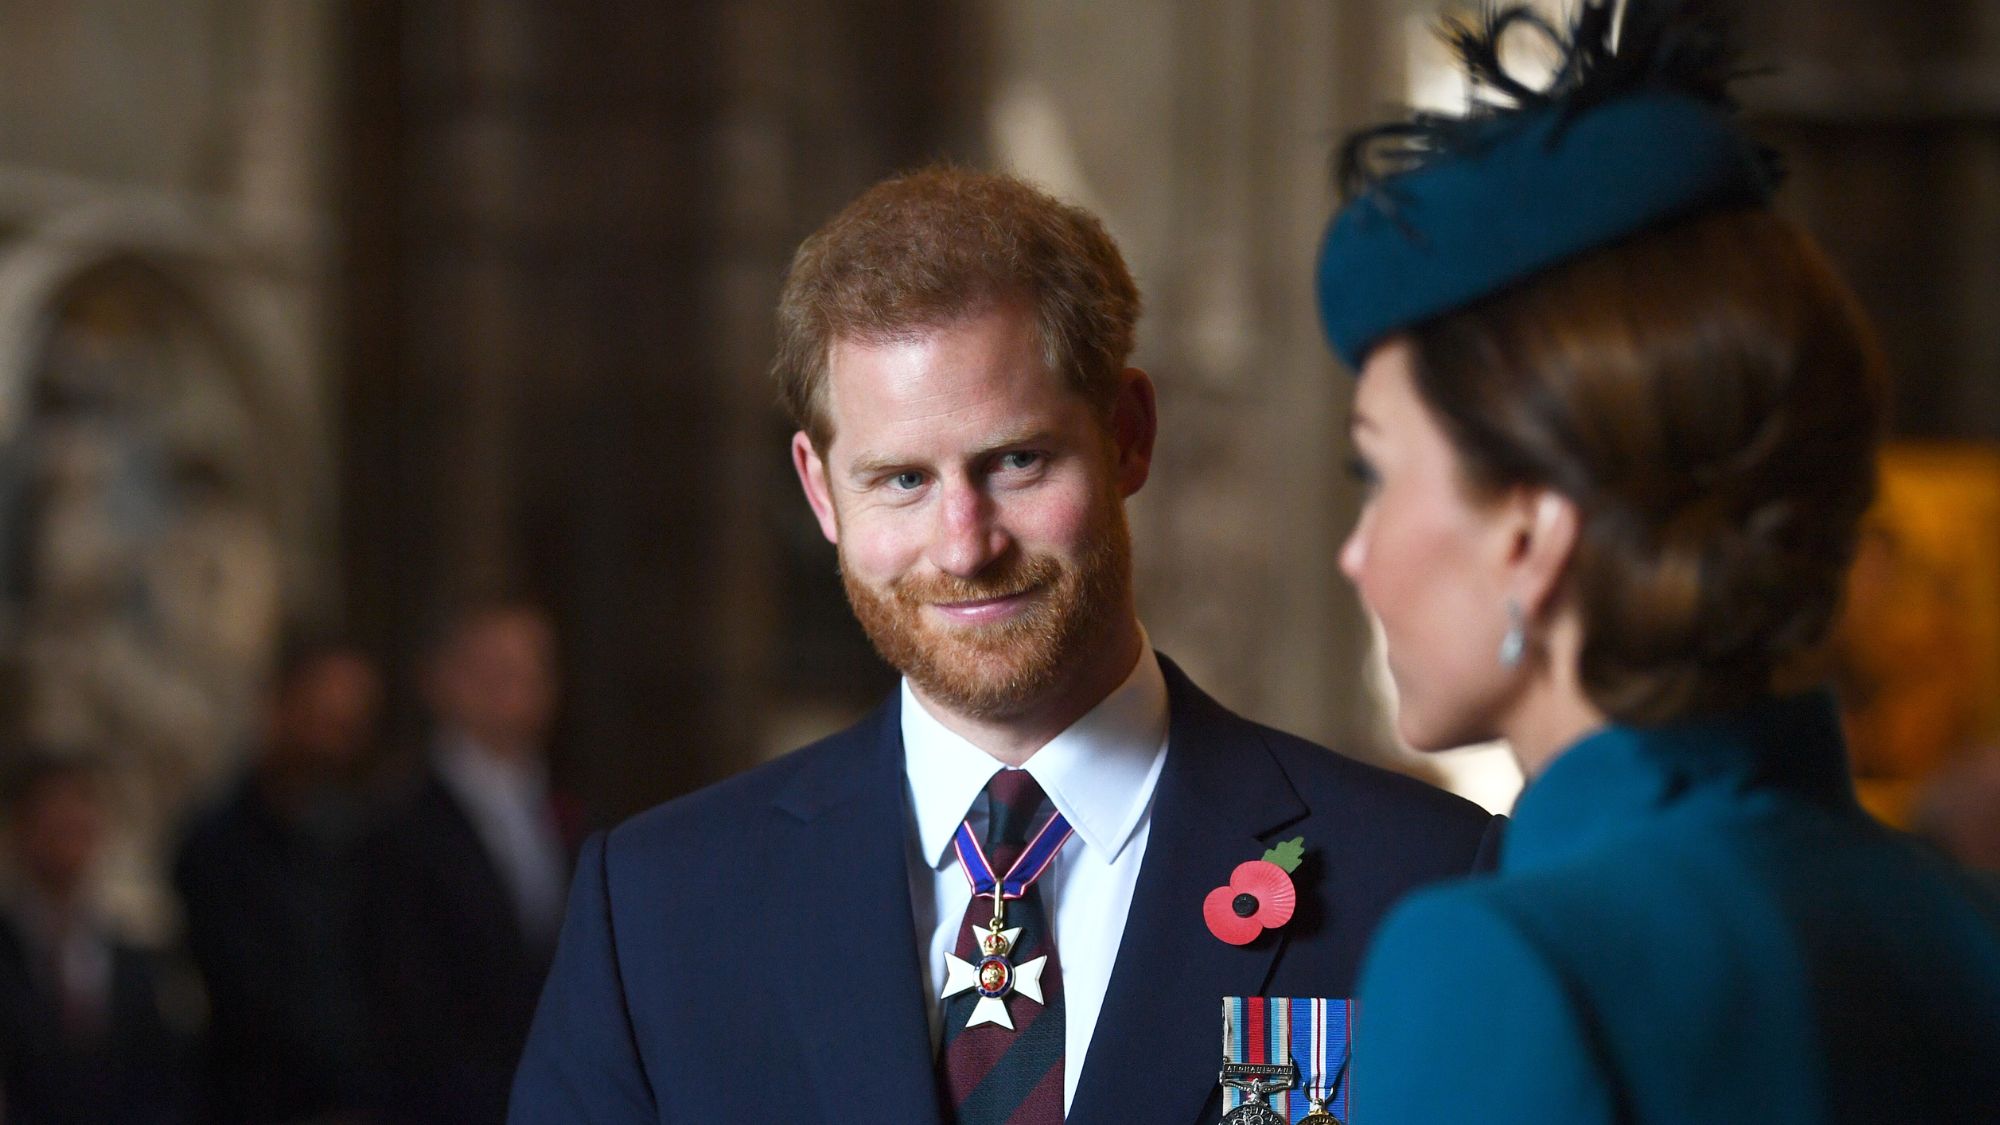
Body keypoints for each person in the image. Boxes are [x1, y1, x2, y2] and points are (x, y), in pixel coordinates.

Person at [510, 166, 1503, 1123]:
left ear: (1127, 435)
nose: (964, 545)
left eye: (1016, 461)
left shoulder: (1419, 882)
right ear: (820, 492)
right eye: (900, 480)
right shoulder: (654, 914)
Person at [1314, 2, 2000, 1120]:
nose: (1356, 556)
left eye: (1375, 476)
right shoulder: (1964, 928)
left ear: (1529, 537)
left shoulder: (1502, 962)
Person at [351, 601, 578, 1125]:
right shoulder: (394, 828)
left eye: (531, 669)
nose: (513, 687)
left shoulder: (573, 818)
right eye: (492, 668)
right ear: (439, 680)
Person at [173, 636, 382, 1124]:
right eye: (322, 718)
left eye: (348, 725)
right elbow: (246, 997)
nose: (333, 740)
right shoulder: (218, 845)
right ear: (282, 708)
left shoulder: (364, 840)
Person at [0, 754, 196, 1124]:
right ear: (19, 826)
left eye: (80, 807)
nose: (68, 822)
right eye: (51, 809)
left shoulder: (134, 955)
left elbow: (159, 1078)